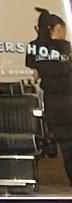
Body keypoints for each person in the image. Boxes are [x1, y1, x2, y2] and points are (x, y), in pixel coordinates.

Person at [30, 10, 72, 189]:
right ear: (55, 29)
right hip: (68, 98)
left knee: (66, 145)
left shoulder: (33, 48)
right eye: (63, 29)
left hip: (52, 103)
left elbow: (36, 76)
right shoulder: (65, 47)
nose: (65, 33)